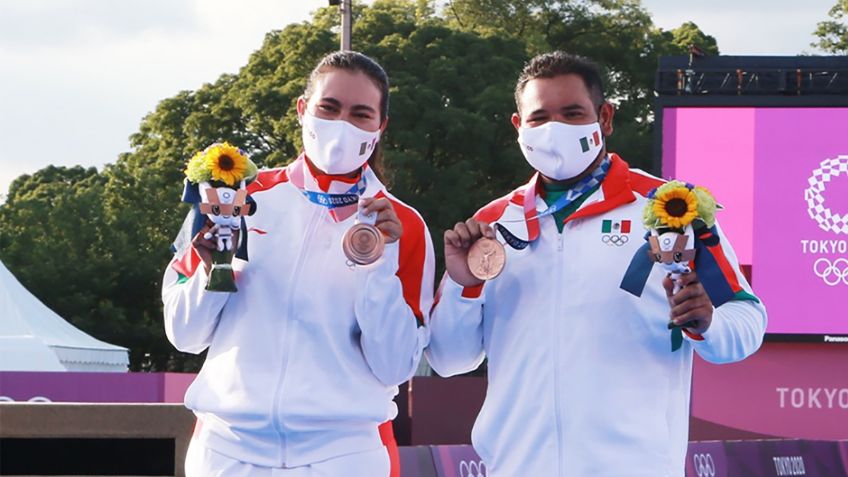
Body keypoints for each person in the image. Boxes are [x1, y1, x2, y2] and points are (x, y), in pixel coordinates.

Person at [426, 51, 767, 477]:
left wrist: (709, 323)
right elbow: (448, 358)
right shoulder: (492, 224)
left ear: (604, 117)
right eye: (539, 118)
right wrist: (464, 285)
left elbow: (748, 319)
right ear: (519, 126)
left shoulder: (670, 208)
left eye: (572, 114)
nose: (555, 131)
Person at [163, 51, 434, 477]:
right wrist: (216, 264)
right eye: (329, 107)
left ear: (380, 128)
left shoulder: (403, 226)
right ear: (303, 110)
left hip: (344, 456)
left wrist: (376, 266)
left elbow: (394, 367)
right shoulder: (236, 199)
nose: (341, 124)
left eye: (360, 113)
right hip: (228, 450)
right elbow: (184, 334)